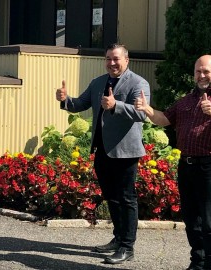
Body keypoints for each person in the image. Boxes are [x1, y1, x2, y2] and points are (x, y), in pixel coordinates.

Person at [135, 55, 211, 270]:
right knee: (191, 219)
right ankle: (197, 263)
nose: (201, 75)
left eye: (206, 71)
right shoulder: (186, 100)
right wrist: (147, 109)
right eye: (198, 71)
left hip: (210, 166)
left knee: (210, 220)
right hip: (186, 165)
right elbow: (165, 119)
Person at [55, 43, 150, 264]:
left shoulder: (138, 83)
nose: (112, 63)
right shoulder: (98, 82)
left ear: (127, 60)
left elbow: (141, 113)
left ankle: (128, 246)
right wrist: (64, 99)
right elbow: (79, 104)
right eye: (108, 58)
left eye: (116, 59)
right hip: (102, 151)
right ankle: (118, 238)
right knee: (112, 198)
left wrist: (116, 105)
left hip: (125, 152)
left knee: (127, 199)